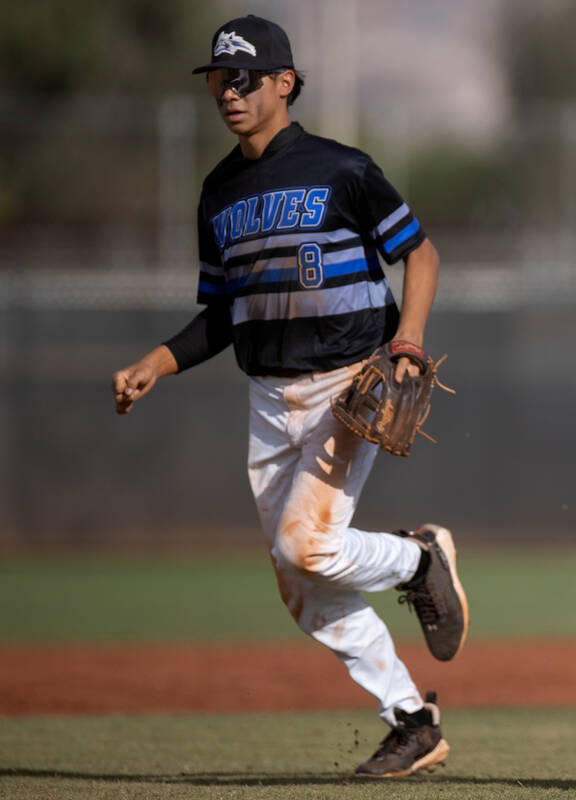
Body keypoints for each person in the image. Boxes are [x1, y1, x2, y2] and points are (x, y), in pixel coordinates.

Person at [109, 15, 467, 779]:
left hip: (347, 385)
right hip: (269, 400)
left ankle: (418, 558)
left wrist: (406, 342)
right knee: (300, 582)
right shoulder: (218, 192)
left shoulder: (343, 168)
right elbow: (222, 315)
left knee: (304, 546)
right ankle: (412, 720)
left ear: (285, 84)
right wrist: (158, 363)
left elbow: (422, 253)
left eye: (243, 78)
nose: (227, 92)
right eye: (217, 79)